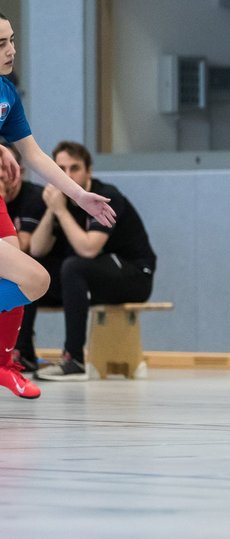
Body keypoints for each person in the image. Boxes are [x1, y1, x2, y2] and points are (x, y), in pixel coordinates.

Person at [0, 13, 117, 396]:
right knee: (35, 279)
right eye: (0, 44)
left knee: (17, 274)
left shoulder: (7, 94)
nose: (11, 50)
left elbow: (33, 154)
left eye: (12, 40)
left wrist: (78, 194)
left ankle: (3, 363)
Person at [19, 141, 156, 381]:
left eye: (75, 168)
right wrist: (52, 210)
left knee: (74, 266)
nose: (68, 175)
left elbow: (89, 248)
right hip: (87, 278)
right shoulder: (56, 200)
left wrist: (61, 212)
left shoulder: (107, 196)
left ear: (89, 171)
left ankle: (74, 360)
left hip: (134, 274)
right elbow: (38, 249)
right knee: (30, 271)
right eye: (61, 169)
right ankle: (25, 355)